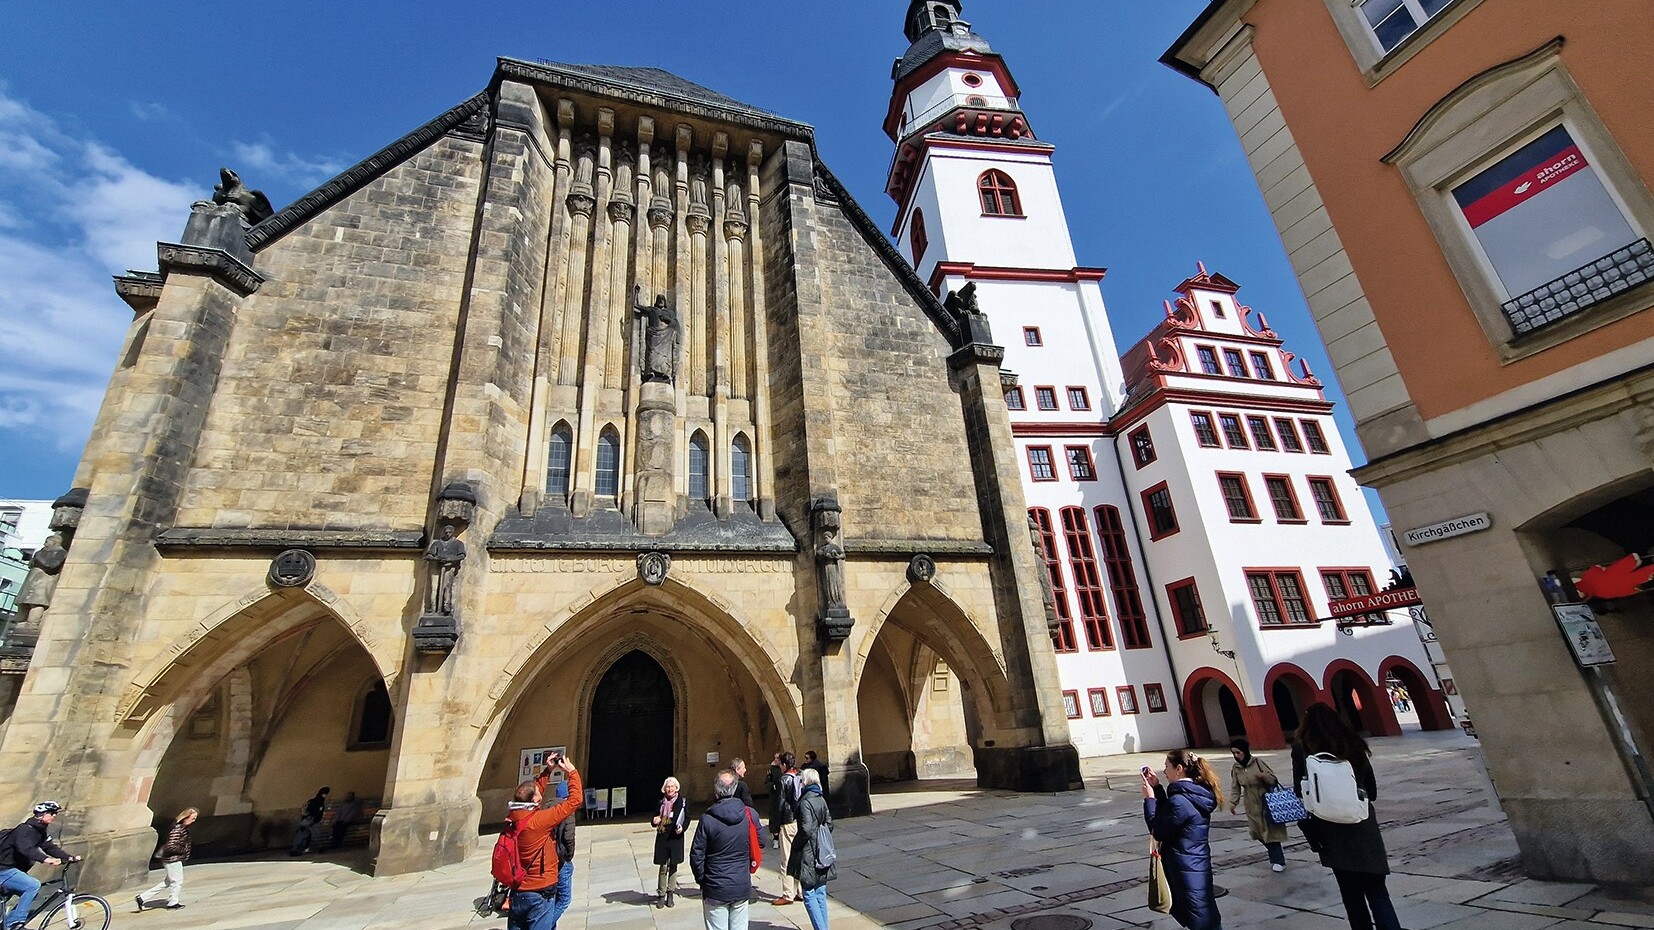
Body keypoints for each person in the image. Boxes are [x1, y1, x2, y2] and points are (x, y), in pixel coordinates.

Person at [1294, 704, 1399, 930]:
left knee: (1351, 897)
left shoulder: (1302, 749)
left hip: (1329, 829)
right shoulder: (1352, 743)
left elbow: (1299, 791)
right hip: (1362, 824)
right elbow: (1371, 790)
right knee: (1378, 893)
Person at [1142, 750, 1225, 930]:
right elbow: (1170, 817)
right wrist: (1157, 789)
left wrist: (1150, 799)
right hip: (1196, 861)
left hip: (1185, 865)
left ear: (1179, 768)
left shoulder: (1180, 800)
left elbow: (1158, 829)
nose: (1164, 771)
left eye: (1166, 767)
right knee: (1205, 911)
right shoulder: (1193, 794)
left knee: (1200, 918)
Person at [507, 754, 583, 930]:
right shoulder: (539, 822)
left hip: (518, 890)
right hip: (539, 890)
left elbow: (531, 793)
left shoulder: (512, 818)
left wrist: (548, 770)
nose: (541, 793)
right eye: (539, 794)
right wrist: (571, 772)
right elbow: (574, 801)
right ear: (535, 801)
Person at [691, 771, 772, 930]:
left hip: (715, 886)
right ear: (734, 789)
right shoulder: (749, 814)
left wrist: (703, 879)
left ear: (716, 791)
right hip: (741, 883)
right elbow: (761, 841)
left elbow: (696, 855)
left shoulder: (707, 819)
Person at [0, 801, 81, 930]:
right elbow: (26, 849)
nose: (54, 816)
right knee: (32, 885)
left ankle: (8, 923)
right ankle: (13, 924)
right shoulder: (24, 830)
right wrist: (47, 860)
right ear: (41, 814)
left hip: (13, 870)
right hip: (4, 870)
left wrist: (68, 857)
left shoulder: (40, 831)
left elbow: (49, 847)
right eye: (52, 813)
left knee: (30, 892)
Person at [1227, 739, 1288, 872]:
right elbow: (1235, 787)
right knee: (1258, 832)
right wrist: (1233, 802)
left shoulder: (1258, 762)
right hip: (1250, 803)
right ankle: (1275, 855)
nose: (1237, 756)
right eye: (1234, 753)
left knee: (1270, 832)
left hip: (1265, 800)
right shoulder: (1236, 768)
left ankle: (1278, 860)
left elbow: (1273, 780)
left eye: (1238, 752)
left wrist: (1263, 776)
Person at [787, 768, 836, 930]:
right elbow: (829, 824)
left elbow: (806, 829)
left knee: (808, 893)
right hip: (822, 850)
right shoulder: (820, 798)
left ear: (806, 782)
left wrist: (797, 844)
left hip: (808, 852)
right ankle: (824, 927)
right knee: (820, 892)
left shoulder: (806, 801)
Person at [136, 807, 196, 911]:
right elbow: (171, 846)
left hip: (173, 858)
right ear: (185, 817)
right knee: (177, 881)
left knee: (167, 882)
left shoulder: (182, 828)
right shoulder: (178, 828)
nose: (194, 820)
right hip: (172, 858)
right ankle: (173, 902)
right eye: (193, 818)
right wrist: (183, 850)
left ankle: (142, 897)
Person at [770, 753, 803, 906]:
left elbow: (780, 804)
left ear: (784, 764)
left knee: (787, 859)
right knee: (800, 856)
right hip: (800, 821)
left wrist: (774, 826)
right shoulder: (800, 776)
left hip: (788, 821)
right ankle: (802, 891)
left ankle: (787, 894)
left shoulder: (784, 779)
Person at [651, 776, 688, 908]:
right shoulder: (661, 802)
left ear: (676, 788)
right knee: (663, 867)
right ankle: (661, 894)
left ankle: (670, 893)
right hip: (662, 837)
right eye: (668, 786)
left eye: (672, 786)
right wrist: (654, 821)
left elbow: (687, 818)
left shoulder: (681, 802)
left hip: (675, 838)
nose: (670, 789)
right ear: (664, 789)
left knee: (673, 866)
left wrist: (682, 828)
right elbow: (654, 818)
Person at [290, 786, 329, 856]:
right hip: (310, 821)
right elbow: (317, 813)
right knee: (313, 834)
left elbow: (306, 811)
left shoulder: (311, 801)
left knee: (302, 835)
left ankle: (295, 849)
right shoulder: (319, 802)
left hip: (306, 820)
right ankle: (319, 848)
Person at [765, 754, 784, 849]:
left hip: (784, 797)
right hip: (774, 797)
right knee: (774, 818)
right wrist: (772, 785)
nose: (776, 760)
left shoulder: (784, 768)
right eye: (775, 758)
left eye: (778, 758)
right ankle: (775, 838)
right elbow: (767, 781)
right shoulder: (771, 769)